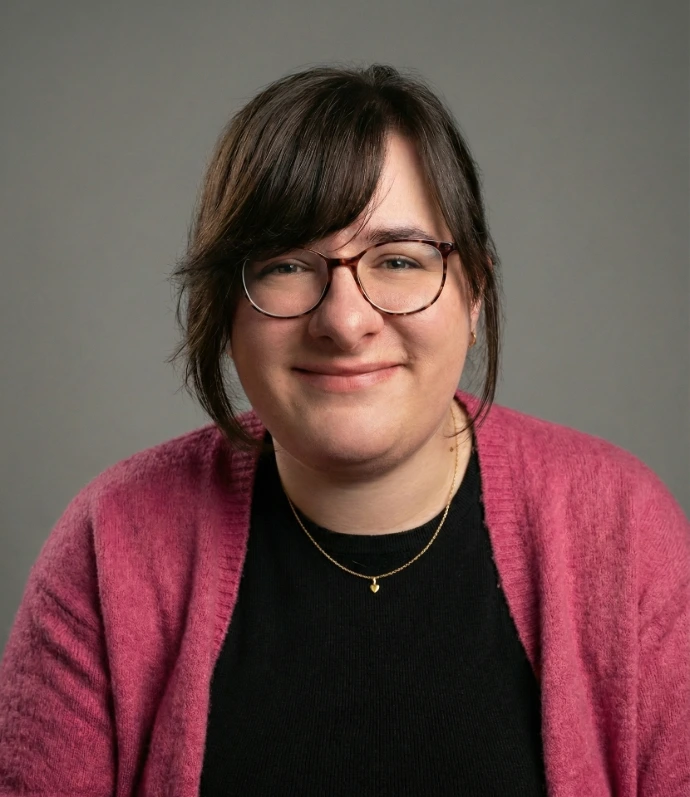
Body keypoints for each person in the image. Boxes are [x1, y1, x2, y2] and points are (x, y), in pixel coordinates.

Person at [0, 63, 688, 797]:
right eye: (288, 264)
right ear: (224, 307)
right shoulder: (113, 540)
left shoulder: (622, 530)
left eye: (397, 260)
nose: (345, 320)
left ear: (475, 292)